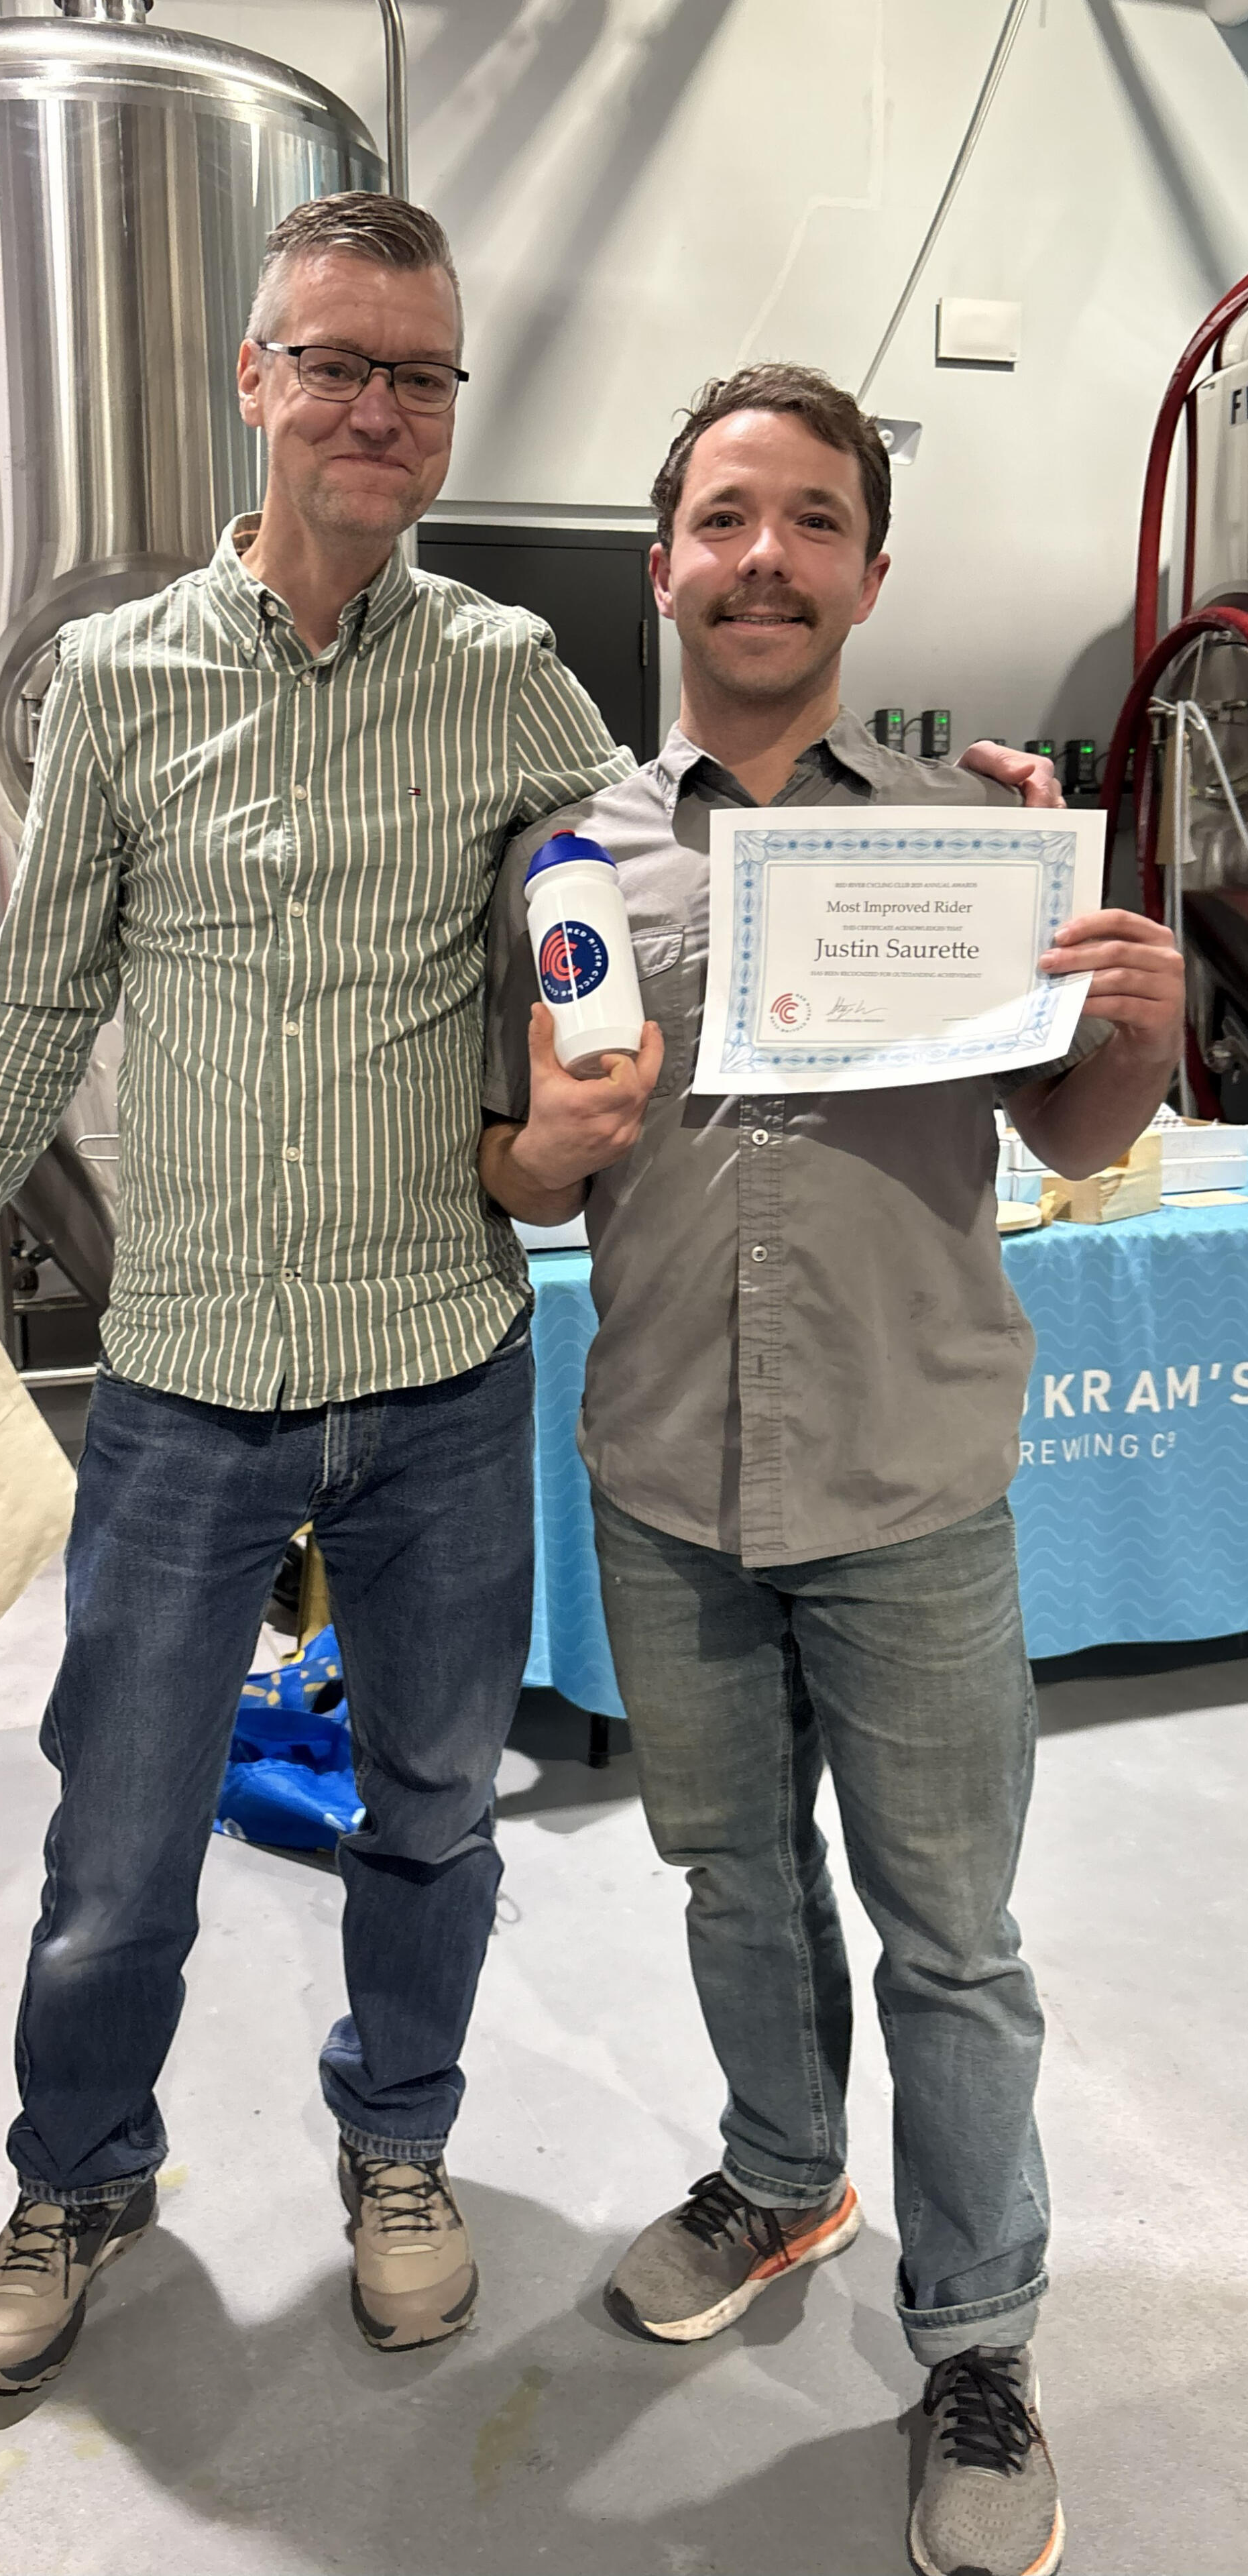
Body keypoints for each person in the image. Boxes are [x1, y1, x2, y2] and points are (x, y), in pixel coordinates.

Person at [0, 191, 1049, 2401]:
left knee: (431, 1818)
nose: (376, 409)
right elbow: (35, 1001)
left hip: (438, 1374)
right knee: (115, 1846)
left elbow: (667, 854)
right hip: (189, 1373)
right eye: (335, 364)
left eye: (417, 376)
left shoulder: (507, 681)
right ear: (256, 381)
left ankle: (399, 2150)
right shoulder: (119, 681)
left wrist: (977, 862)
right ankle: (79, 2174)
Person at [481, 364, 1183, 2576]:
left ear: (869, 575)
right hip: (666, 1472)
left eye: (809, 521)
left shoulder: (974, 840)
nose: (762, 558)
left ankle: (974, 2337)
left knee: (949, 1941)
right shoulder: (566, 855)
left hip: (907, 1478)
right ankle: (782, 2180)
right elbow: (509, 1159)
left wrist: (1136, 1031)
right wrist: (535, 1147)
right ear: (661, 565)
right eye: (722, 518)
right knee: (732, 1879)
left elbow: (1064, 1133)